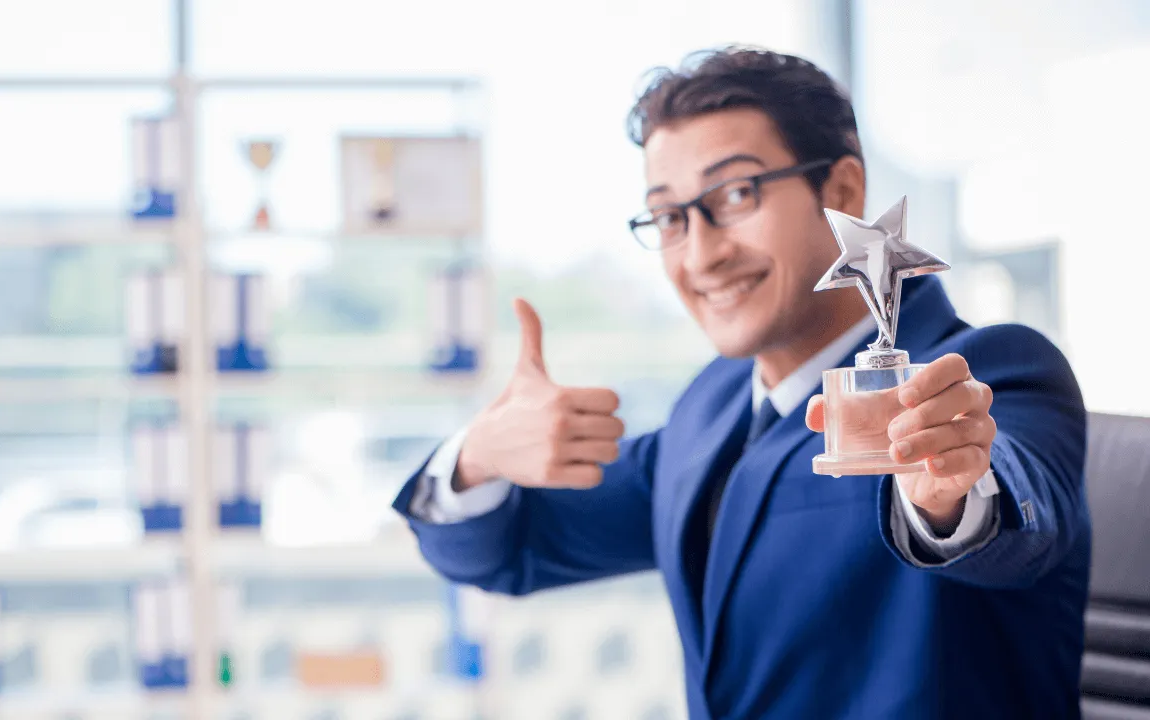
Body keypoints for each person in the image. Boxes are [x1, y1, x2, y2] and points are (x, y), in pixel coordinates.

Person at [392, 45, 1089, 719]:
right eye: (669, 216)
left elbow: (1016, 522)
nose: (702, 254)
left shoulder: (988, 370)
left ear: (842, 189)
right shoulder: (712, 407)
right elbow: (507, 550)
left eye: (736, 193)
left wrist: (949, 496)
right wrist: (479, 454)